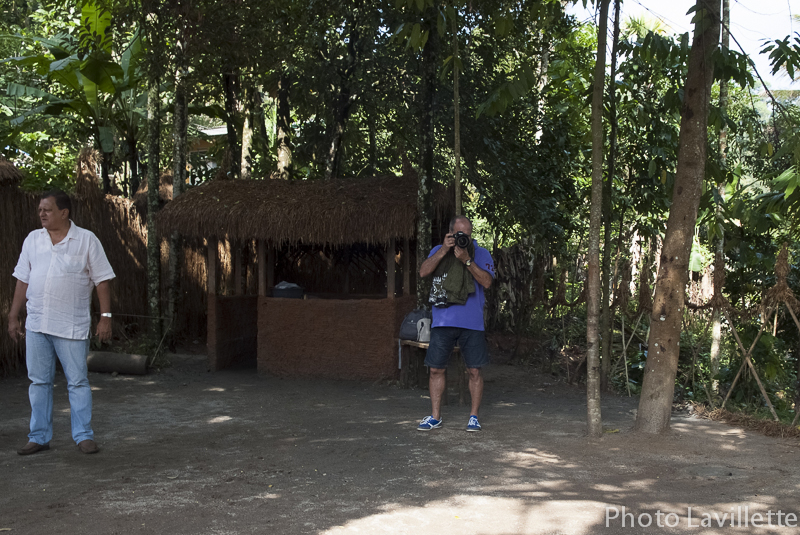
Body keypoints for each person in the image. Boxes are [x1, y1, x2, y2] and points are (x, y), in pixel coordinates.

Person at [8, 190, 115, 455]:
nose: (41, 214)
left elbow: (102, 280)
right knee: (38, 382)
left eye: (47, 209)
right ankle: (39, 436)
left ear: (64, 212)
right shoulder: (33, 239)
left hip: (71, 325)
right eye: (40, 210)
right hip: (37, 324)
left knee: (77, 382)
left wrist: (105, 318)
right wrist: (13, 315)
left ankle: (83, 435)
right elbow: (22, 279)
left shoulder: (86, 240)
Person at [417, 215, 494, 432]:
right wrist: (444, 249)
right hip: (443, 320)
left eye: (467, 235)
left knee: (474, 371)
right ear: (450, 233)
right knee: (435, 369)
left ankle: (473, 417)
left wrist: (467, 260)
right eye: (459, 234)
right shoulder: (438, 250)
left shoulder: (481, 253)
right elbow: (423, 272)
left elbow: (487, 282)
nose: (463, 238)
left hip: (472, 322)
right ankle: (435, 416)